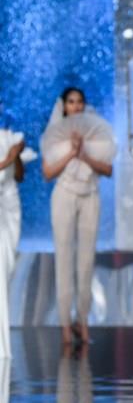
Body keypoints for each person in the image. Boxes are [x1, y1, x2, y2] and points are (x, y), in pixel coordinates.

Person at [41, 87, 114, 346]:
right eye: (71, 102)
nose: (76, 106)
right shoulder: (54, 134)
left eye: (80, 101)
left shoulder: (95, 132)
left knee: (86, 260)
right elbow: (47, 173)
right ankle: (64, 325)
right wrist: (71, 153)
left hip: (90, 195)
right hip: (64, 196)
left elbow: (108, 170)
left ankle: (82, 321)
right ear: (64, 106)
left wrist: (84, 153)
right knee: (63, 258)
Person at [0, 126, 34, 358]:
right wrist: (9, 158)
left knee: (4, 271)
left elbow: (19, 176)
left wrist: (17, 158)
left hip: (9, 207)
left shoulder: (7, 137)